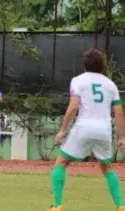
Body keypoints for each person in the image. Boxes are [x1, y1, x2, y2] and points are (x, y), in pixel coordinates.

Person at [48, 48, 125, 211]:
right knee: (107, 167)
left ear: (84, 64)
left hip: (83, 127)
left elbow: (73, 107)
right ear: (103, 65)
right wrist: (122, 137)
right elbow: (119, 113)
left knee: (61, 162)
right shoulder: (110, 85)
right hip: (104, 130)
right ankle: (121, 206)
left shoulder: (78, 81)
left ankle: (57, 205)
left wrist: (63, 130)